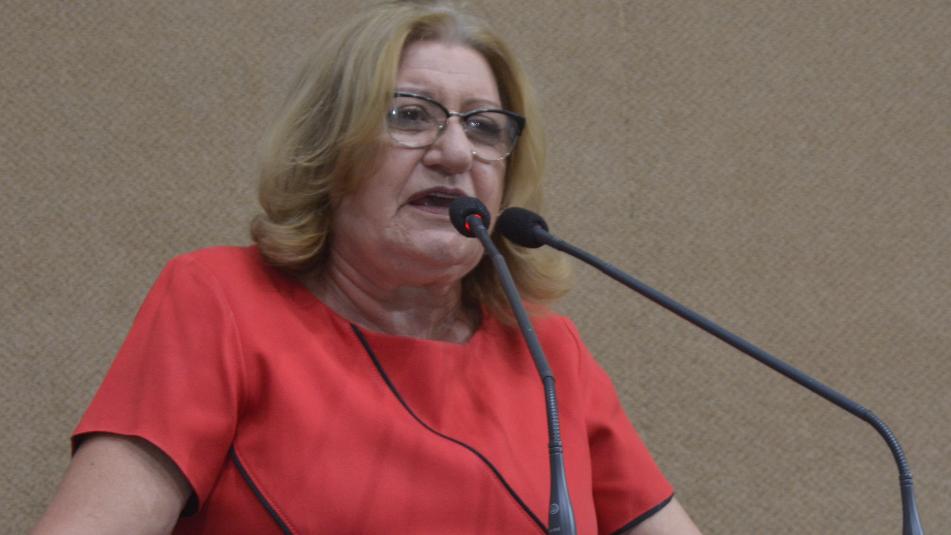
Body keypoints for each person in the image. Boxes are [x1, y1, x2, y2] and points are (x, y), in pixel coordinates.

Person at [33, 2, 701, 533]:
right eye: (410, 115)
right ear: (329, 151)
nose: (454, 153)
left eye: (484, 127)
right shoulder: (222, 302)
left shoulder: (547, 351)